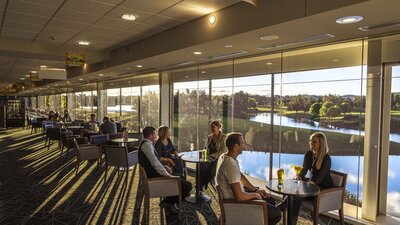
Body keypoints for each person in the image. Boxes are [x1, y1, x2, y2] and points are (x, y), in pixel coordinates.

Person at [216, 132, 282, 225]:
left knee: (269, 199)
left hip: (234, 199)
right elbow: (240, 196)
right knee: (277, 214)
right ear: (236, 146)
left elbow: (241, 177)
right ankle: (256, 219)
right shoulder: (230, 166)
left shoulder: (227, 157)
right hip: (236, 205)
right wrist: (255, 195)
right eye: (242, 143)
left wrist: (256, 190)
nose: (244, 146)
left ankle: (262, 216)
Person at [138, 126, 192, 214]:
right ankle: (168, 202)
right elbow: (155, 162)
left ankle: (171, 201)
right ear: (151, 135)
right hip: (155, 177)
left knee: (181, 177)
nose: (156, 135)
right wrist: (167, 175)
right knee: (188, 186)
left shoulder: (146, 144)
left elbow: (155, 161)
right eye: (155, 134)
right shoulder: (147, 145)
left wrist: (165, 167)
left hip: (154, 173)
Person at [293, 132, 335, 224]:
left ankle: (284, 209)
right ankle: (291, 220)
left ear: (321, 144)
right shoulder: (309, 154)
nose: (311, 143)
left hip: (323, 188)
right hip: (312, 185)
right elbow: (304, 170)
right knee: (294, 186)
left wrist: (307, 185)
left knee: (296, 196)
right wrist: (299, 176)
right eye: (310, 141)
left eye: (314, 142)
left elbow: (320, 178)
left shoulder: (326, 158)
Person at [199, 121, 228, 190]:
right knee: (201, 167)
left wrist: (212, 156)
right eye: (210, 127)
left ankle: (202, 184)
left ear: (218, 127)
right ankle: (200, 185)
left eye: (213, 127)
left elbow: (224, 151)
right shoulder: (209, 137)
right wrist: (202, 154)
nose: (211, 129)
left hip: (218, 159)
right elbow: (205, 148)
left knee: (212, 171)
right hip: (208, 158)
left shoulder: (224, 137)